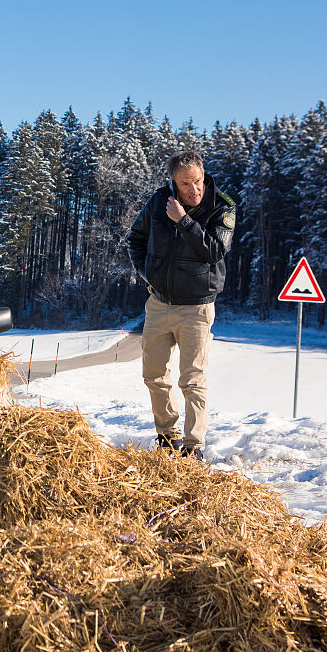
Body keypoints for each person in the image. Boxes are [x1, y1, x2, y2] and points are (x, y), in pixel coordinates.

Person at [127, 151, 238, 460]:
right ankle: (167, 436)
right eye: (185, 183)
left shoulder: (222, 207)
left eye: (198, 181)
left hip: (197, 308)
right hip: (159, 303)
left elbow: (215, 251)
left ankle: (194, 446)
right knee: (153, 375)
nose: (194, 189)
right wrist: (148, 271)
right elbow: (136, 238)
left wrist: (185, 221)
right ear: (173, 183)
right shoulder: (158, 202)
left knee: (192, 379)